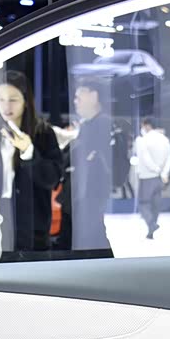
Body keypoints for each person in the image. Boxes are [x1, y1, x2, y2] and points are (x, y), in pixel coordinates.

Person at [0, 70, 62, 257]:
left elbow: (52, 179)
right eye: (0, 99)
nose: (6, 106)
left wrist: (29, 152)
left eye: (13, 99)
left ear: (26, 100)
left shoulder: (43, 133)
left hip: (32, 227)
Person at [65, 81, 114, 257]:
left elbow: (95, 158)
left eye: (79, 97)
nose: (75, 101)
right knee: (92, 233)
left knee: (92, 233)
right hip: (84, 191)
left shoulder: (103, 124)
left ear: (94, 96)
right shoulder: (87, 125)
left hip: (93, 190)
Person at [133, 117, 170, 239]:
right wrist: (164, 173)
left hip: (147, 176)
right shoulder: (165, 139)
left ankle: (151, 224)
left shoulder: (143, 140)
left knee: (144, 203)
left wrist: (156, 169)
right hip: (160, 178)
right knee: (156, 205)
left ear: (147, 125)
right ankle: (151, 231)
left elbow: (145, 158)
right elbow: (169, 158)